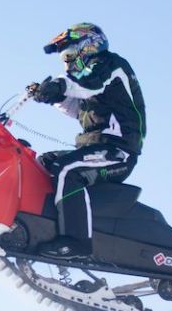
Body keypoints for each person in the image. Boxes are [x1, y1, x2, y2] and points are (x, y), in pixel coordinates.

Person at [27, 23, 146, 260]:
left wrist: (60, 85)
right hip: (96, 149)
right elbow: (77, 106)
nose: (67, 63)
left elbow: (89, 84)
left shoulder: (111, 65)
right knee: (43, 163)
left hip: (117, 152)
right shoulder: (92, 84)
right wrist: (52, 96)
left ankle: (77, 242)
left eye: (68, 55)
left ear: (87, 46)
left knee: (66, 170)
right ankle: (41, 223)